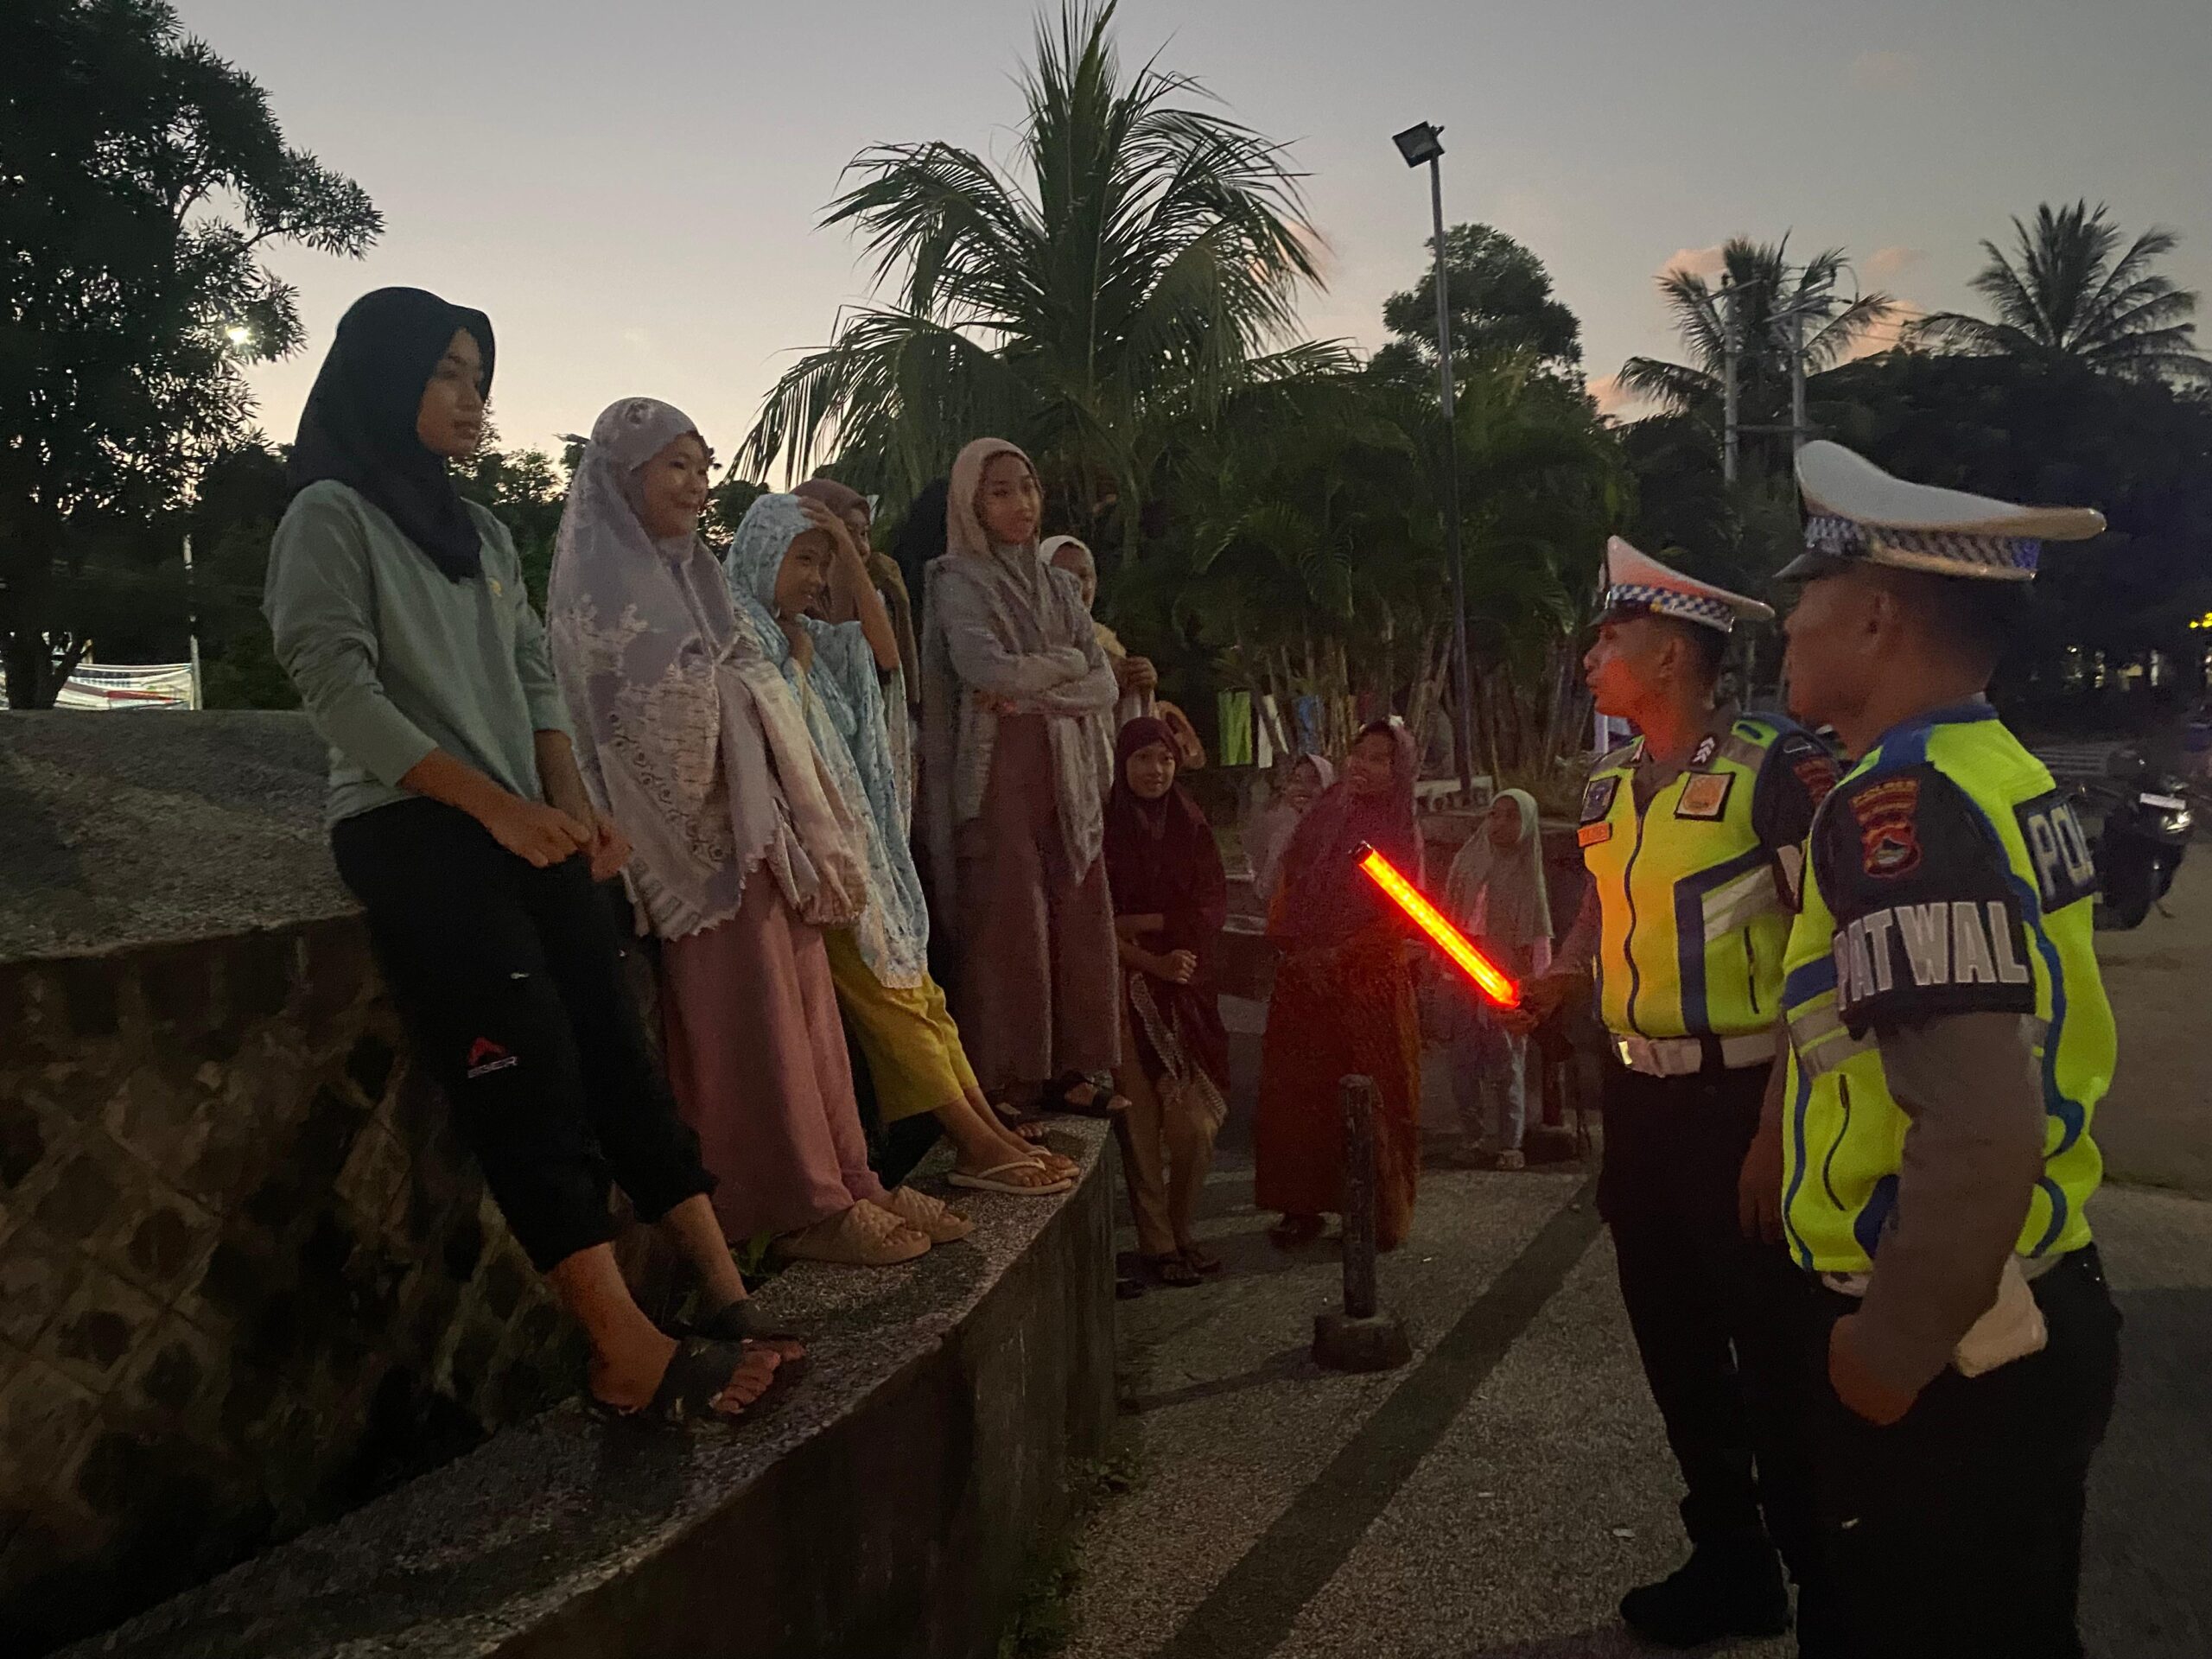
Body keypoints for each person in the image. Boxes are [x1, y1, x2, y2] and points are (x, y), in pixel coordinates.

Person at [265, 292, 797, 1429]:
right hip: (414, 825)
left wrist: (569, 804)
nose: (473, 400)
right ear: (384, 378)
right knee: (526, 1072)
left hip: (523, 820)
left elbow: (532, 675)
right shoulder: (329, 515)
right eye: (447, 374)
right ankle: (622, 1353)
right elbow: (336, 688)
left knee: (615, 1047)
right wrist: (494, 809)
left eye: (479, 377)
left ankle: (726, 1294)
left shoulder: (482, 531)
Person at [1766, 441, 2118, 1658]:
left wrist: (1887, 1352)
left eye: (1808, 595)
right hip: (2027, 1309)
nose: (1787, 622)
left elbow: (1974, 1135)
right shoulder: (1999, 769)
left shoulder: (1900, 807)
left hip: (1953, 1347)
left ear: (1875, 618)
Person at [1514, 536, 1840, 1649]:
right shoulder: (1609, 783)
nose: (1591, 656)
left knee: (1776, 1357)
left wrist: (1774, 1132)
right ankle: (1732, 1561)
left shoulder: (1776, 770)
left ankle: (1823, 1585)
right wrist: (1565, 973)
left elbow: (1824, 947)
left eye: (1610, 638)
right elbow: (1601, 909)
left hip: (1743, 1103)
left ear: (1668, 655)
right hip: (1639, 1108)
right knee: (1676, 1347)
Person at [545, 397, 931, 1270]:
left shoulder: (694, 575)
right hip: (695, 841)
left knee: (807, 1011)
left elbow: (746, 671)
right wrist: (746, 683)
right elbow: (638, 718)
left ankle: (851, 1177)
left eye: (703, 466)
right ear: (624, 476)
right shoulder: (601, 583)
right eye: (675, 466)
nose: (696, 484)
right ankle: (795, 1203)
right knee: (752, 1023)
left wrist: (745, 682)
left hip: (762, 825)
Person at [722, 491, 1079, 1199]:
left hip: (856, 842)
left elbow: (884, 655)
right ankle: (973, 1141)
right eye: (803, 560)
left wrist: (844, 557)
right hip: (808, 857)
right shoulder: (738, 632)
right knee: (890, 999)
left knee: (919, 990)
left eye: (822, 564)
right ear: (762, 553)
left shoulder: (799, 635)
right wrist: (798, 659)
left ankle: (988, 1130)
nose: (816, 580)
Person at [921, 439, 1123, 1123]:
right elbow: (986, 670)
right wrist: (1065, 666)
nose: (1021, 503)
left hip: (1064, 767)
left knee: (1077, 904)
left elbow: (1102, 682)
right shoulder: (956, 579)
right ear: (972, 502)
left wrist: (1040, 689)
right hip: (998, 769)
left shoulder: (1059, 586)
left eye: (1028, 487)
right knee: (1010, 915)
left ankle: (1073, 1069)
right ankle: (1009, 1079)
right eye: (1001, 491)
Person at [1254, 720, 1422, 1250]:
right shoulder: (1328, 810)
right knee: (1299, 1098)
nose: (1363, 766)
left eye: (1379, 758)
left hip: (1367, 985)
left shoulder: (1398, 826)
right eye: (1359, 753)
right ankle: (1300, 1206)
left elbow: (1402, 914)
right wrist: (1296, 948)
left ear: (1398, 771)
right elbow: (1293, 877)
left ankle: (1377, 1217)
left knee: (1373, 1099)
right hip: (1306, 977)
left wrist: (1341, 956)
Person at [1104, 716, 1232, 1286]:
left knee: (1195, 1125)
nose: (1155, 771)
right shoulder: (1105, 830)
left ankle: (1183, 1230)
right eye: (1142, 759)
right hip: (1126, 989)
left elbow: (1209, 909)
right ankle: (1158, 1245)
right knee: (1140, 1126)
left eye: (1164, 759)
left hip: (1185, 990)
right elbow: (1094, 922)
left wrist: (1148, 924)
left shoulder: (1191, 825)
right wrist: (1151, 957)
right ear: (1122, 764)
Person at [792, 477, 920, 835]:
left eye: (864, 534)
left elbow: (887, 658)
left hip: (866, 754)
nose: (861, 546)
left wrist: (847, 557)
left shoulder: (872, 595)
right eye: (847, 532)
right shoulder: (792, 605)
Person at [1441, 788, 1553, 1170]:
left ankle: (1510, 1143)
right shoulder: (1468, 859)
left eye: (1511, 816)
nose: (1500, 824)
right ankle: (1472, 1137)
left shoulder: (1527, 873)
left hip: (1505, 978)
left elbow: (1537, 936)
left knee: (1507, 1062)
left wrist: (1535, 987)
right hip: (1461, 971)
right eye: (1494, 814)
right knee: (1462, 1061)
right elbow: (1448, 913)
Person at [1247, 753, 1334, 901]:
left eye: (1313, 781)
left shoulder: (1338, 833)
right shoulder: (1281, 832)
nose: (1302, 788)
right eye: (1296, 780)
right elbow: (1265, 888)